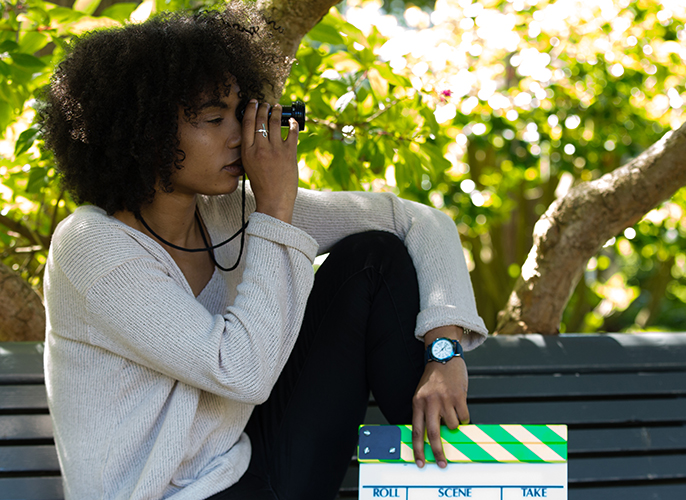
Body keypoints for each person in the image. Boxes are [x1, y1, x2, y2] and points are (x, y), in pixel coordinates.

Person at [39, 4, 487, 499]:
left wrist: (444, 352)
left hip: (255, 470)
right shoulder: (89, 246)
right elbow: (241, 372)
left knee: (373, 259)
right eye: (214, 118)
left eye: (241, 112)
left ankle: (456, 483)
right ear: (142, 133)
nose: (241, 137)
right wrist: (276, 207)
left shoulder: (228, 213)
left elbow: (418, 220)